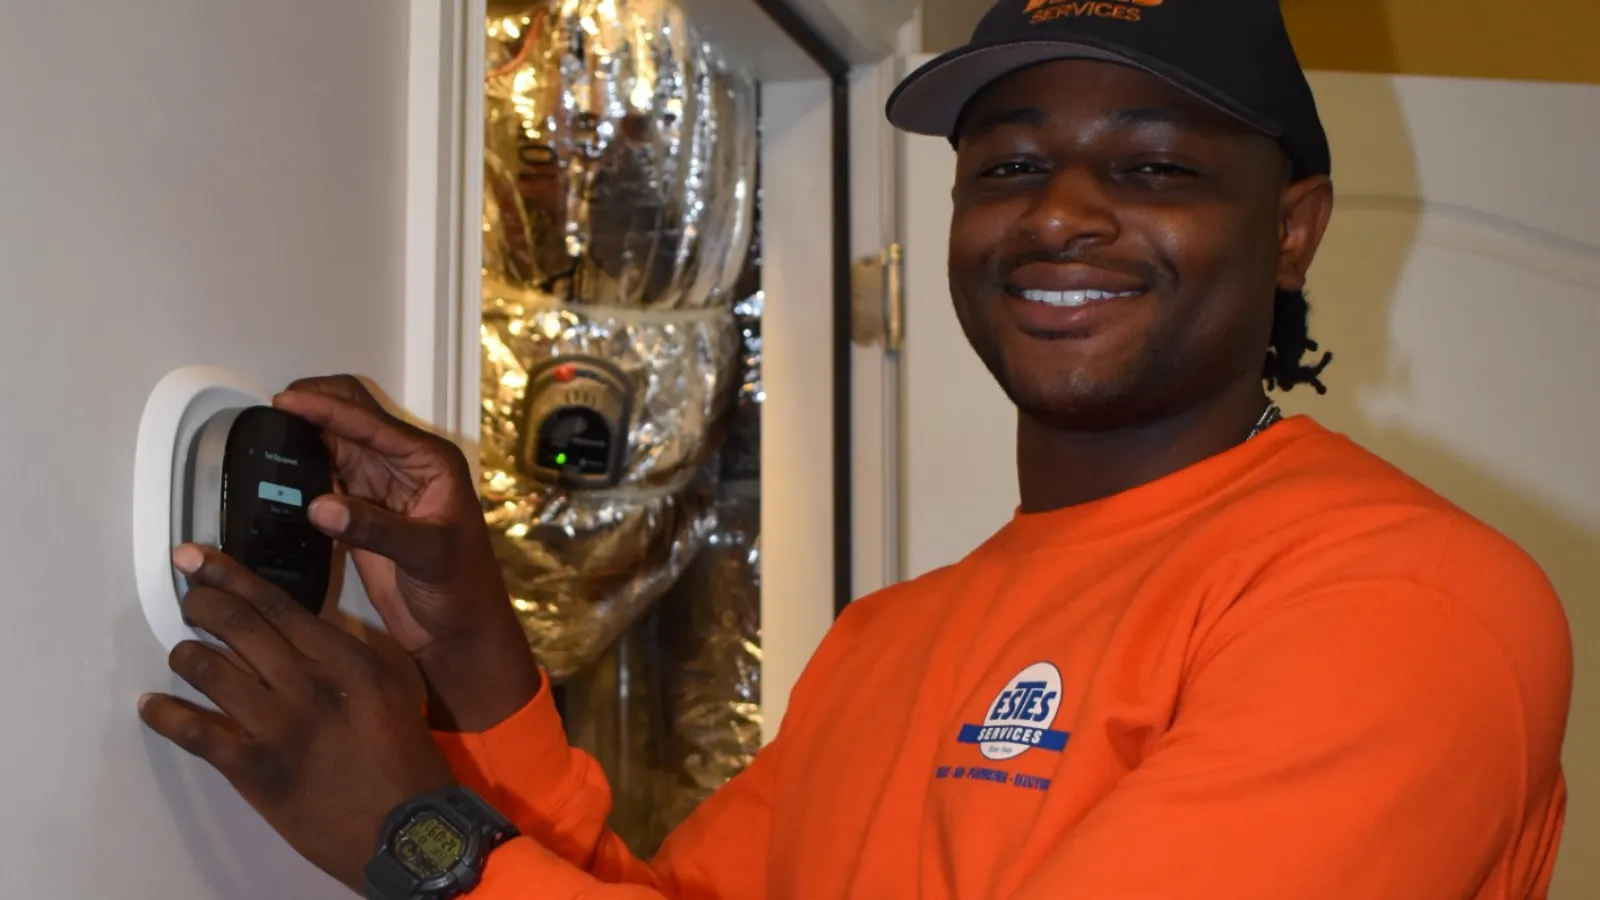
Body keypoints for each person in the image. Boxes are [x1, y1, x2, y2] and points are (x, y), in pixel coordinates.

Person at [139, 0, 1574, 897]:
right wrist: (468, 639)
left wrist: (422, 848)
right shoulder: (894, 643)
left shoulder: (1399, 602)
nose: (1061, 213)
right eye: (1008, 165)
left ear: (1293, 229)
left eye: (1154, 167)